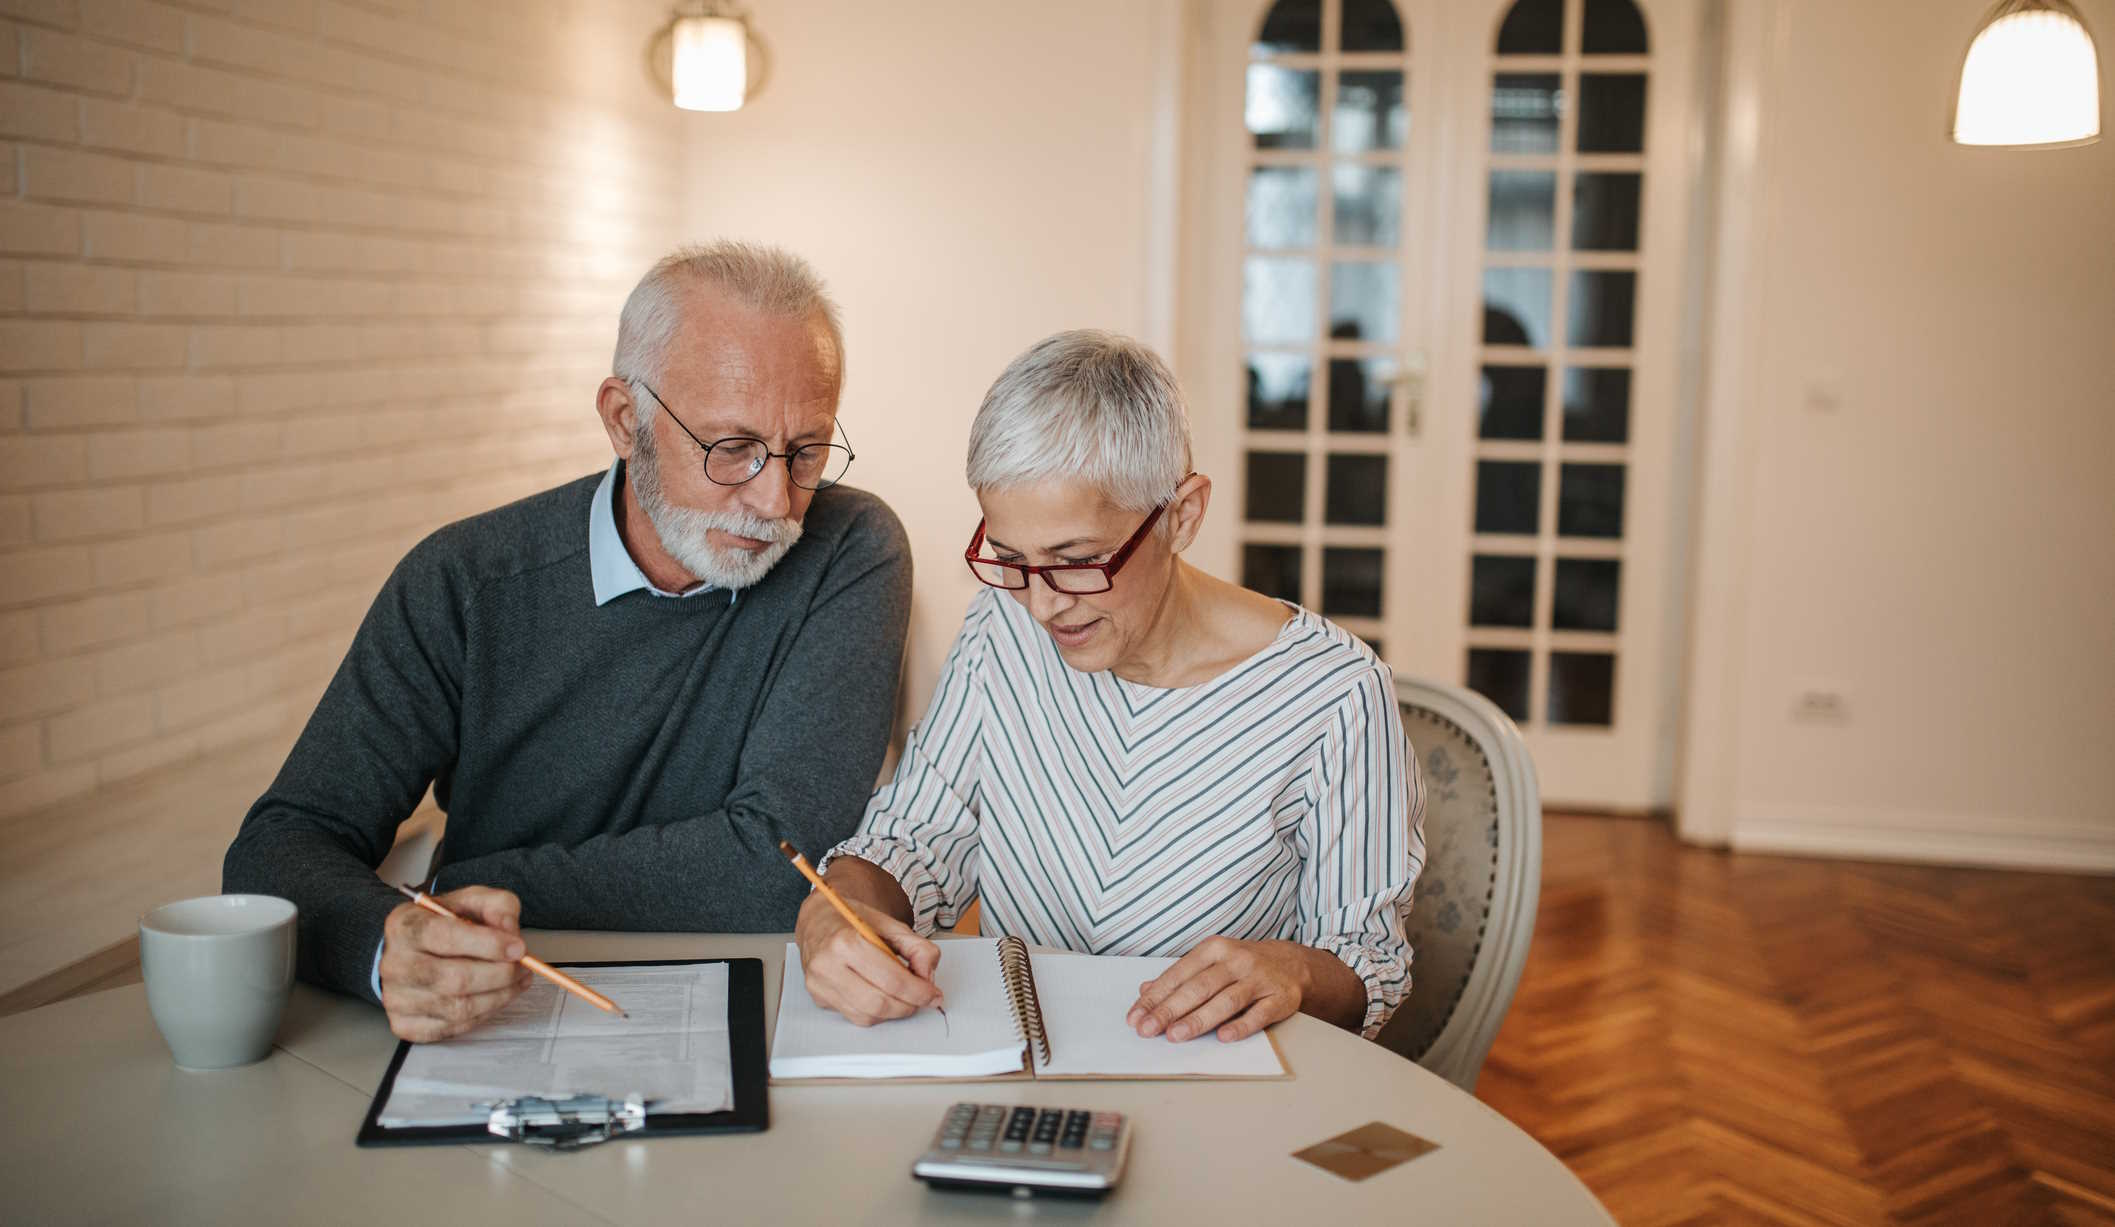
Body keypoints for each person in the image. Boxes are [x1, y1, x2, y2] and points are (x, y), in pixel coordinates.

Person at [224, 242, 911, 1042]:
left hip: (756, 1011)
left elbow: (779, 866)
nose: (775, 499)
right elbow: (276, 849)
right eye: (731, 448)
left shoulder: (849, 548)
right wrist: (387, 943)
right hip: (493, 1015)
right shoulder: (464, 581)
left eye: (807, 451)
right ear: (625, 420)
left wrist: (469, 882)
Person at [796, 330, 1424, 1045]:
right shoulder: (1002, 627)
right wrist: (835, 907)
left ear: (1182, 516)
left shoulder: (1336, 695)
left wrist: (1297, 971)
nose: (1042, 605)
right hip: (1023, 1070)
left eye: (1076, 560)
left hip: (1214, 1079)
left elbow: (1370, 962)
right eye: (1010, 558)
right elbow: (914, 837)